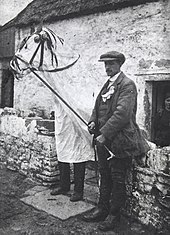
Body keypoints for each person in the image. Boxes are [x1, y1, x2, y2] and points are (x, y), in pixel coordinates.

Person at [82, 51, 150, 231]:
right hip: (104, 141)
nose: (107, 67)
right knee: (104, 175)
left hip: (121, 141)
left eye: (111, 63)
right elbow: (97, 108)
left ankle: (114, 215)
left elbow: (122, 114)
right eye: (105, 64)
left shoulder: (127, 85)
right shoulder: (107, 85)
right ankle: (101, 208)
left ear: (120, 64)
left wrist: (104, 134)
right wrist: (92, 122)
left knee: (117, 179)